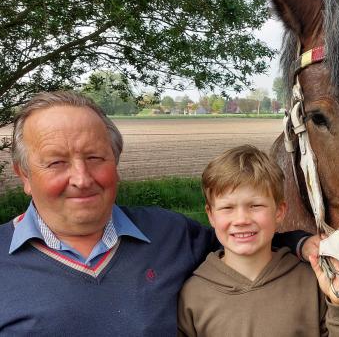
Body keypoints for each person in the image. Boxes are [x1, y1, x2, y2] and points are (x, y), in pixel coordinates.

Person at [0, 91, 308, 335]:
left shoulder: (168, 233)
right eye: (56, 163)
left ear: (115, 163)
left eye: (95, 157)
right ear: (24, 175)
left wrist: (301, 243)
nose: (82, 178)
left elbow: (244, 240)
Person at [177, 145, 339, 336]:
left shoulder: (312, 282)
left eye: (255, 205)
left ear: (279, 212)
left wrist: (338, 305)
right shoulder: (193, 295)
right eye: (227, 208)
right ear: (210, 215)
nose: (242, 220)